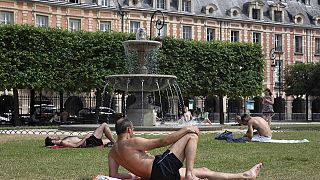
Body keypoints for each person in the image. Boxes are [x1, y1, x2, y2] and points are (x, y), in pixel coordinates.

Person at [108, 117, 263, 180]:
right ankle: (189, 174)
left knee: (203, 170)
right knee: (192, 136)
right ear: (129, 129)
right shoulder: (132, 142)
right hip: (160, 168)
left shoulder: (112, 152)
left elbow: (113, 175)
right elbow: (162, 141)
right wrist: (187, 129)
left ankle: (244, 175)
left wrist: (133, 175)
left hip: (156, 176)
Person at [45, 123, 115, 148]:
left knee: (108, 140)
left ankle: (115, 143)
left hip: (89, 141)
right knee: (104, 125)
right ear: (53, 141)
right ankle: (114, 143)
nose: (54, 135)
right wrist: (85, 137)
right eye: (52, 136)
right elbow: (76, 146)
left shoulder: (64, 140)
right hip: (89, 142)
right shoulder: (63, 142)